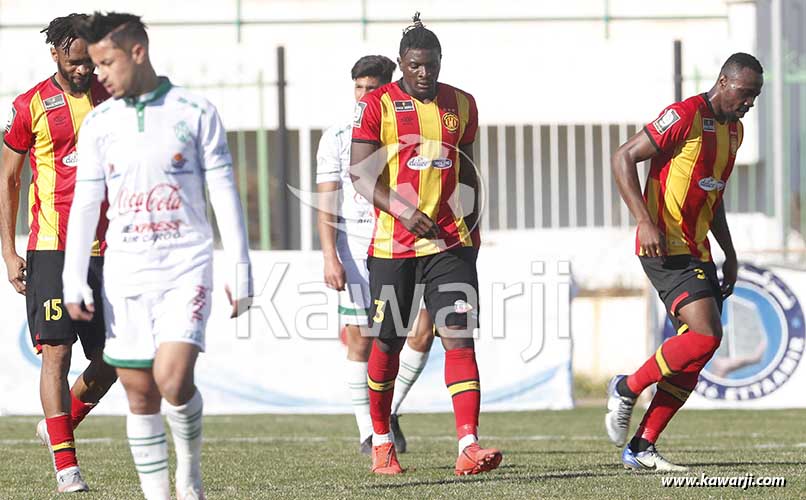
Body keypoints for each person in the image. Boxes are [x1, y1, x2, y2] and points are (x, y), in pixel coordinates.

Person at [63, 12, 252, 500]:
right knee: (139, 390)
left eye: (107, 63)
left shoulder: (195, 111)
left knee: (172, 379)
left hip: (185, 265)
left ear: (138, 52)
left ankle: (188, 474)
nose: (99, 74)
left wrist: (241, 267)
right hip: (126, 270)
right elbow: (86, 203)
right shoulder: (100, 122)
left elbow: (224, 191)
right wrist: (73, 277)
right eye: (95, 65)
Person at [350, 13, 501, 476]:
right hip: (393, 247)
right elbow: (360, 174)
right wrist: (401, 210)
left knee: (459, 335)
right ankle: (381, 441)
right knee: (387, 343)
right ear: (401, 63)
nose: (423, 72)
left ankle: (468, 445)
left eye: (431, 64)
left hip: (450, 244)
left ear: (440, 61)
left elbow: (467, 169)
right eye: (415, 65)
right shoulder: (377, 105)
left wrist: (473, 228)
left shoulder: (463, 104)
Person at [607, 52, 763, 471]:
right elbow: (622, 156)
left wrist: (730, 252)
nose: (749, 103)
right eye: (745, 93)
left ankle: (642, 446)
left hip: (699, 250)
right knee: (707, 335)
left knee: (695, 353)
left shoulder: (735, 132)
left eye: (755, 96)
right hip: (664, 246)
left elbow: (714, 195)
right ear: (724, 82)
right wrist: (644, 221)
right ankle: (626, 387)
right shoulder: (684, 115)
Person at [0, 13, 117, 493]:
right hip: (51, 247)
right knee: (57, 352)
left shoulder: (112, 98)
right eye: (74, 62)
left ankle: (58, 425)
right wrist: (8, 252)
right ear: (55, 55)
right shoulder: (29, 105)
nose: (84, 70)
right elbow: (9, 179)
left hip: (105, 249)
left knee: (116, 360)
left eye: (90, 62)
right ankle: (67, 466)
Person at [316, 54, 434, 455]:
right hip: (355, 247)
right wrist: (329, 256)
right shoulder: (336, 137)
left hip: (405, 240)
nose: (363, 95)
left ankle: (388, 410)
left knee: (423, 330)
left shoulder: (411, 128)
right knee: (361, 339)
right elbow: (326, 200)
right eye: (358, 87)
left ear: (388, 88)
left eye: (372, 88)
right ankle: (369, 432)